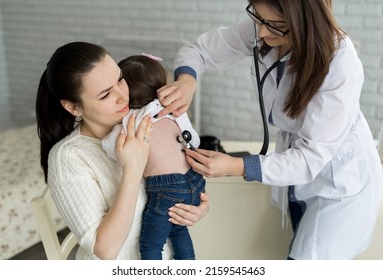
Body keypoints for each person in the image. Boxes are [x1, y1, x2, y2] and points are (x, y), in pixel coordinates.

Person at [156, 0, 383, 260]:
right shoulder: (264, 28)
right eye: (258, 18)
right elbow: (199, 50)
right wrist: (186, 81)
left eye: (276, 26)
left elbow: (310, 158)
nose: (262, 33)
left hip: (340, 181)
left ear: (303, 21)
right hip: (296, 175)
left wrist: (237, 166)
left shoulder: (340, 62)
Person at [35, 42, 209, 260]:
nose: (122, 95)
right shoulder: (68, 158)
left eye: (119, 79)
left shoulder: (141, 122)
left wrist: (194, 208)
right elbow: (105, 250)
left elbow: (169, 184)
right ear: (73, 107)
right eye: (105, 94)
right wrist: (132, 169)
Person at [101, 55, 205, 260]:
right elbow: (194, 140)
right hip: (195, 180)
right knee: (178, 230)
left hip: (166, 187)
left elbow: (113, 148)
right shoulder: (174, 111)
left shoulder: (132, 119)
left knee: (151, 245)